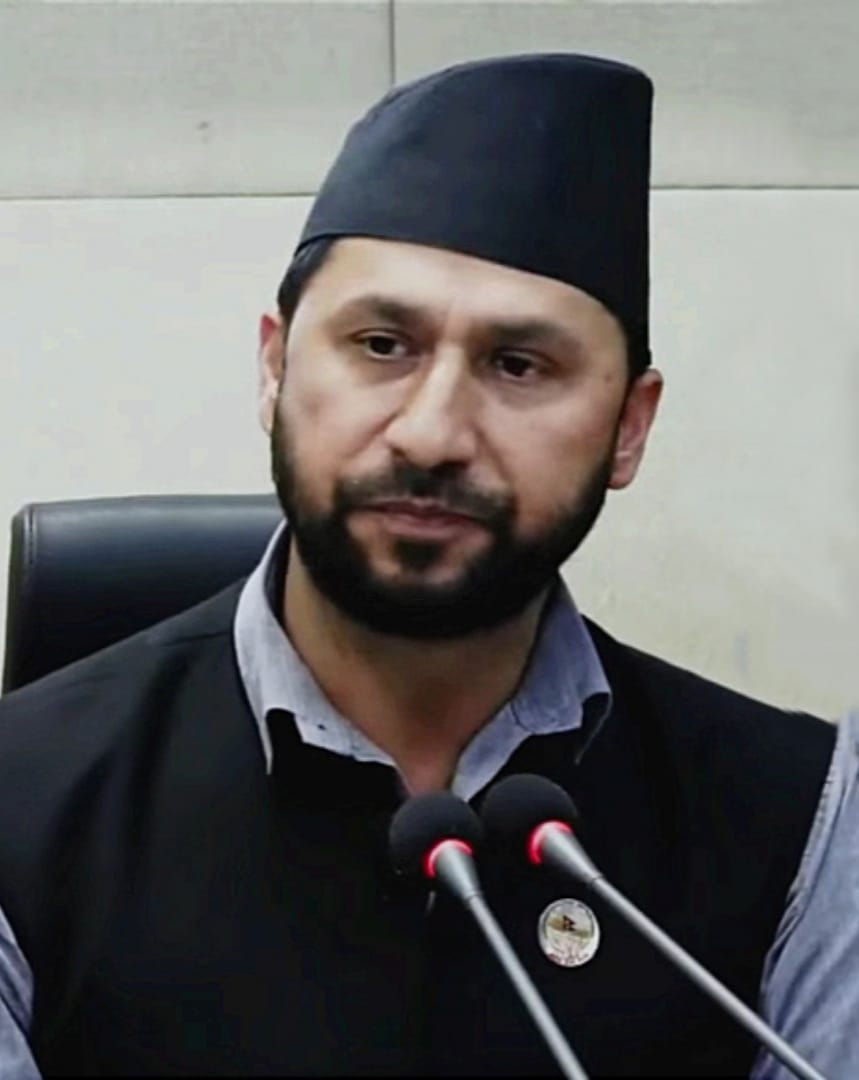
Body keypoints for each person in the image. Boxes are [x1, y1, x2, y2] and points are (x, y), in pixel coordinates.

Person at [0, 53, 842, 1077]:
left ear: (628, 427)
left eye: (518, 365)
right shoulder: (22, 804)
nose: (432, 433)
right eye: (381, 345)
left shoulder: (804, 815)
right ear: (274, 367)